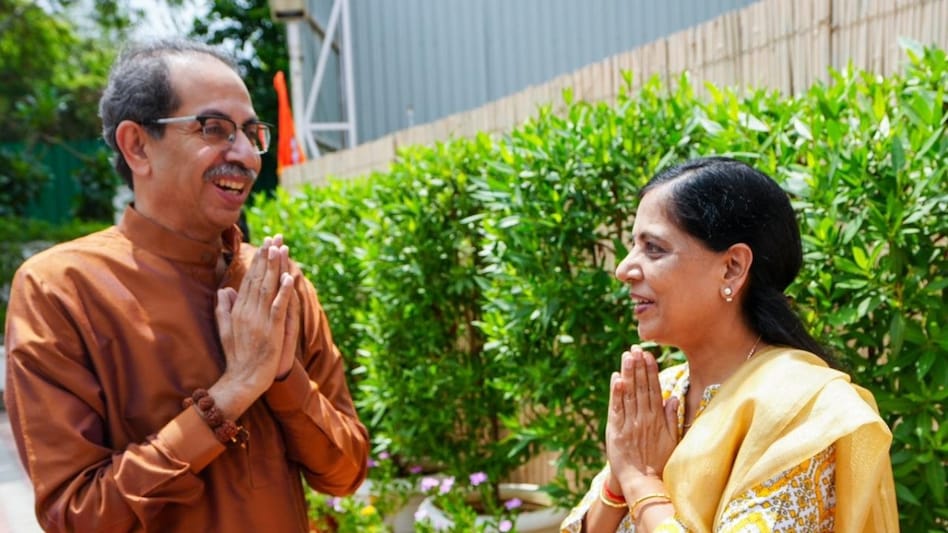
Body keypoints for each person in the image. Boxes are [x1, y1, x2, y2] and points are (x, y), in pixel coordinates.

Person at [3, 39, 368, 532]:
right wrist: (230, 396)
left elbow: (345, 473)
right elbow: (78, 515)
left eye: (251, 132)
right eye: (214, 128)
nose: (244, 154)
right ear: (137, 145)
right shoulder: (61, 290)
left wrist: (284, 378)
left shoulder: (279, 285)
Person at [561, 157, 898, 532]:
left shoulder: (803, 411)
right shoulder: (664, 394)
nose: (624, 269)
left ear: (733, 267)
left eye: (654, 248)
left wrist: (641, 482)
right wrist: (617, 485)